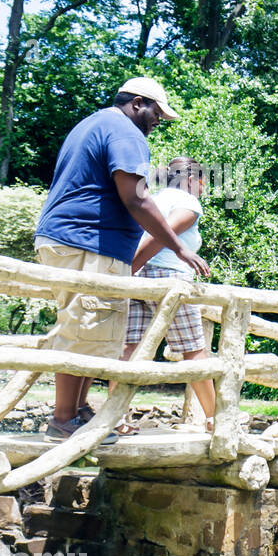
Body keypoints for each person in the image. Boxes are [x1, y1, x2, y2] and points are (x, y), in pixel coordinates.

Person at [33, 77, 210, 442]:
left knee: (95, 333)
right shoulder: (126, 132)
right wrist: (179, 248)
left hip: (76, 239)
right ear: (138, 103)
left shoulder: (91, 124)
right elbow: (136, 198)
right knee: (84, 328)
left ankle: (79, 411)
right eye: (156, 114)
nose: (157, 122)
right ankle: (63, 419)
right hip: (87, 241)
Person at [120, 157, 215, 432]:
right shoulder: (188, 202)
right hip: (169, 279)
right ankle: (214, 418)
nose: (204, 187)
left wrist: (131, 272)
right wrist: (133, 267)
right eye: (202, 181)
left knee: (129, 347)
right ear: (190, 180)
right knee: (193, 349)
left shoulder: (155, 198)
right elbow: (162, 235)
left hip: (140, 279)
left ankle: (116, 419)